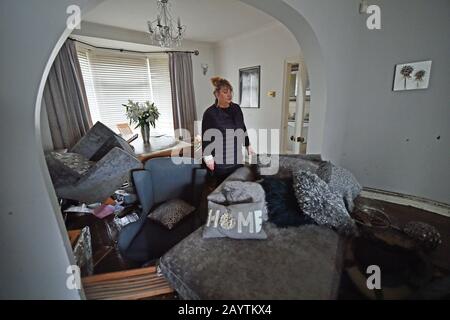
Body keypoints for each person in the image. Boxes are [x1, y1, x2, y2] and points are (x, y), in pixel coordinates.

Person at [202, 77, 254, 183]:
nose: (229, 95)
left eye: (230, 92)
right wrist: (208, 157)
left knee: (238, 184)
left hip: (237, 157)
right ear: (217, 94)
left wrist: (248, 145)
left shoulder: (236, 109)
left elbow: (242, 128)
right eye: (225, 92)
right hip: (221, 160)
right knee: (223, 187)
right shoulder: (210, 113)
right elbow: (205, 136)